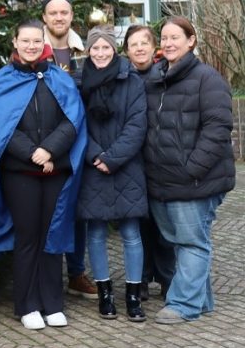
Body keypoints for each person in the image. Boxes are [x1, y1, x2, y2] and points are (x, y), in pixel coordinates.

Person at [0, 19, 86, 330]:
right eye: (24, 40)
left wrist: (51, 151)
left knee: (51, 235)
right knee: (28, 237)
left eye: (35, 41)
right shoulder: (2, 80)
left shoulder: (59, 78)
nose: (30, 46)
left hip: (54, 169)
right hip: (21, 173)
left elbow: (73, 119)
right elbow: (2, 127)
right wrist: (34, 154)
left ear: (44, 44)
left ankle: (52, 302)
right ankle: (27, 304)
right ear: (14, 41)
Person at [142, 17, 234, 325]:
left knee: (192, 241)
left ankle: (183, 304)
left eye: (175, 38)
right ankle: (202, 300)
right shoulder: (155, 79)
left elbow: (218, 128)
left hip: (195, 181)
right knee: (180, 241)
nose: (168, 43)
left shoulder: (208, 79)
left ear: (191, 40)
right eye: (164, 38)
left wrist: (192, 168)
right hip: (162, 180)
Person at [75, 27, 148, 321]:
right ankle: (105, 295)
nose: (101, 53)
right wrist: (95, 155)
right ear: (88, 51)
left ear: (114, 49)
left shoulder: (131, 80)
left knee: (131, 232)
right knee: (95, 231)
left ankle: (132, 296)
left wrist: (113, 157)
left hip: (126, 165)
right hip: (93, 166)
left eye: (106, 47)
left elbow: (137, 124)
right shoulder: (79, 81)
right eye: (95, 48)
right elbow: (77, 122)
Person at [41, 0, 98, 301]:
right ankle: (45, 275)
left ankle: (76, 273)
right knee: (47, 210)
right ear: (45, 19)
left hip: (80, 142)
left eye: (64, 12)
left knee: (77, 210)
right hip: (47, 144)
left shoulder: (86, 52)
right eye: (53, 13)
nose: (59, 17)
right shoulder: (35, 51)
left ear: (71, 16)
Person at [124, 24, 174, 300]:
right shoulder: (122, 78)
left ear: (154, 48)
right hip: (133, 162)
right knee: (140, 225)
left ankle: (168, 279)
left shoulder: (165, 77)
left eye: (145, 43)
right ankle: (140, 280)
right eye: (134, 44)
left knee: (164, 225)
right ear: (127, 50)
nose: (140, 48)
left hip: (160, 161)